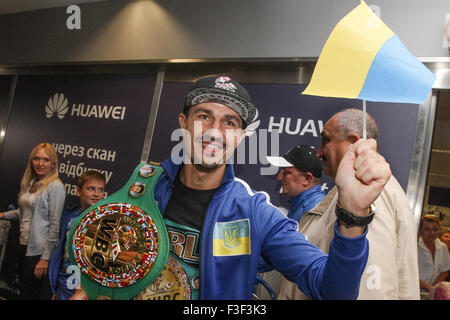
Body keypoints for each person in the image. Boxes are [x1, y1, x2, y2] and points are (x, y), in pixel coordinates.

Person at [71, 75, 391, 300]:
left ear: (240, 136)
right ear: (184, 123)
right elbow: (102, 261)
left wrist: (352, 215)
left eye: (229, 122)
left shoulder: (256, 215)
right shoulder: (142, 185)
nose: (214, 131)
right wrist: (90, 287)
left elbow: (332, 290)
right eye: (204, 116)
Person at [277, 108, 420, 300]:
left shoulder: (370, 193)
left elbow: (368, 288)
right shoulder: (350, 192)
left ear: (353, 142)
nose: (319, 153)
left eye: (326, 140)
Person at [0, 142, 65, 299]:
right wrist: (3, 215)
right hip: (24, 245)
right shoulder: (31, 183)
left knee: (31, 294)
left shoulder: (55, 186)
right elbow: (24, 213)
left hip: (38, 251)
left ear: (53, 164)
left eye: (45, 160)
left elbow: (55, 225)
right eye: (36, 159)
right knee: (23, 291)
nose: (40, 163)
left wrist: (45, 258)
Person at [48, 170, 106, 300]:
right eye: (91, 189)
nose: (97, 194)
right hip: (64, 283)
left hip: (86, 289)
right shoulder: (69, 217)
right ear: (78, 191)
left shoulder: (106, 222)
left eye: (101, 190)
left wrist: (83, 291)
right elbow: (61, 254)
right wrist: (55, 288)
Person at [266, 144, 326, 223]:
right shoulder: (302, 205)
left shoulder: (315, 209)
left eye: (287, 172)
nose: (279, 178)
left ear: (307, 178)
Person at [418, 214, 450, 291]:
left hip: (431, 290)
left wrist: (433, 287)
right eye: (427, 229)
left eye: (435, 229)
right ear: (421, 230)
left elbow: (444, 270)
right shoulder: (415, 246)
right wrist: (427, 287)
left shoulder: (442, 247)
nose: (431, 233)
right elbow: (408, 272)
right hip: (414, 288)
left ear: (439, 231)